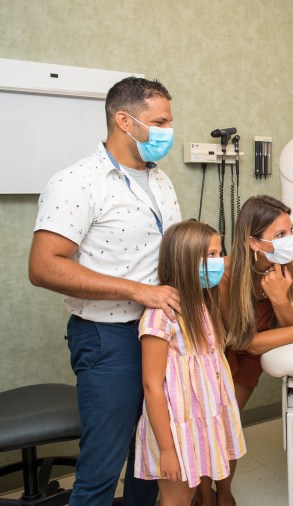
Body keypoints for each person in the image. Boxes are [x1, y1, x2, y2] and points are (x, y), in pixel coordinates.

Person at [28, 76, 181, 506]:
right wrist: (140, 291)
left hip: (159, 333)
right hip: (108, 338)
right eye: (160, 121)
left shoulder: (161, 180)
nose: (168, 131)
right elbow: (42, 267)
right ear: (124, 120)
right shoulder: (78, 182)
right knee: (100, 469)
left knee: (149, 459)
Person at [195, 195, 293, 506]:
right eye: (280, 235)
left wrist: (280, 300)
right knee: (212, 419)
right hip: (224, 347)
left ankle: (225, 493)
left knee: (228, 422)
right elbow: (241, 341)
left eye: (291, 231)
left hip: (268, 342)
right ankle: (205, 494)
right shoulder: (227, 274)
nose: (290, 241)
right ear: (253, 242)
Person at [137, 220, 245, 505]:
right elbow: (152, 386)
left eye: (219, 253)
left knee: (190, 492)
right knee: (177, 498)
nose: (218, 261)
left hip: (203, 419)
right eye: (209, 255)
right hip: (175, 429)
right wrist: (167, 450)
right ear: (184, 261)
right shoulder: (161, 316)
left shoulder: (201, 305)